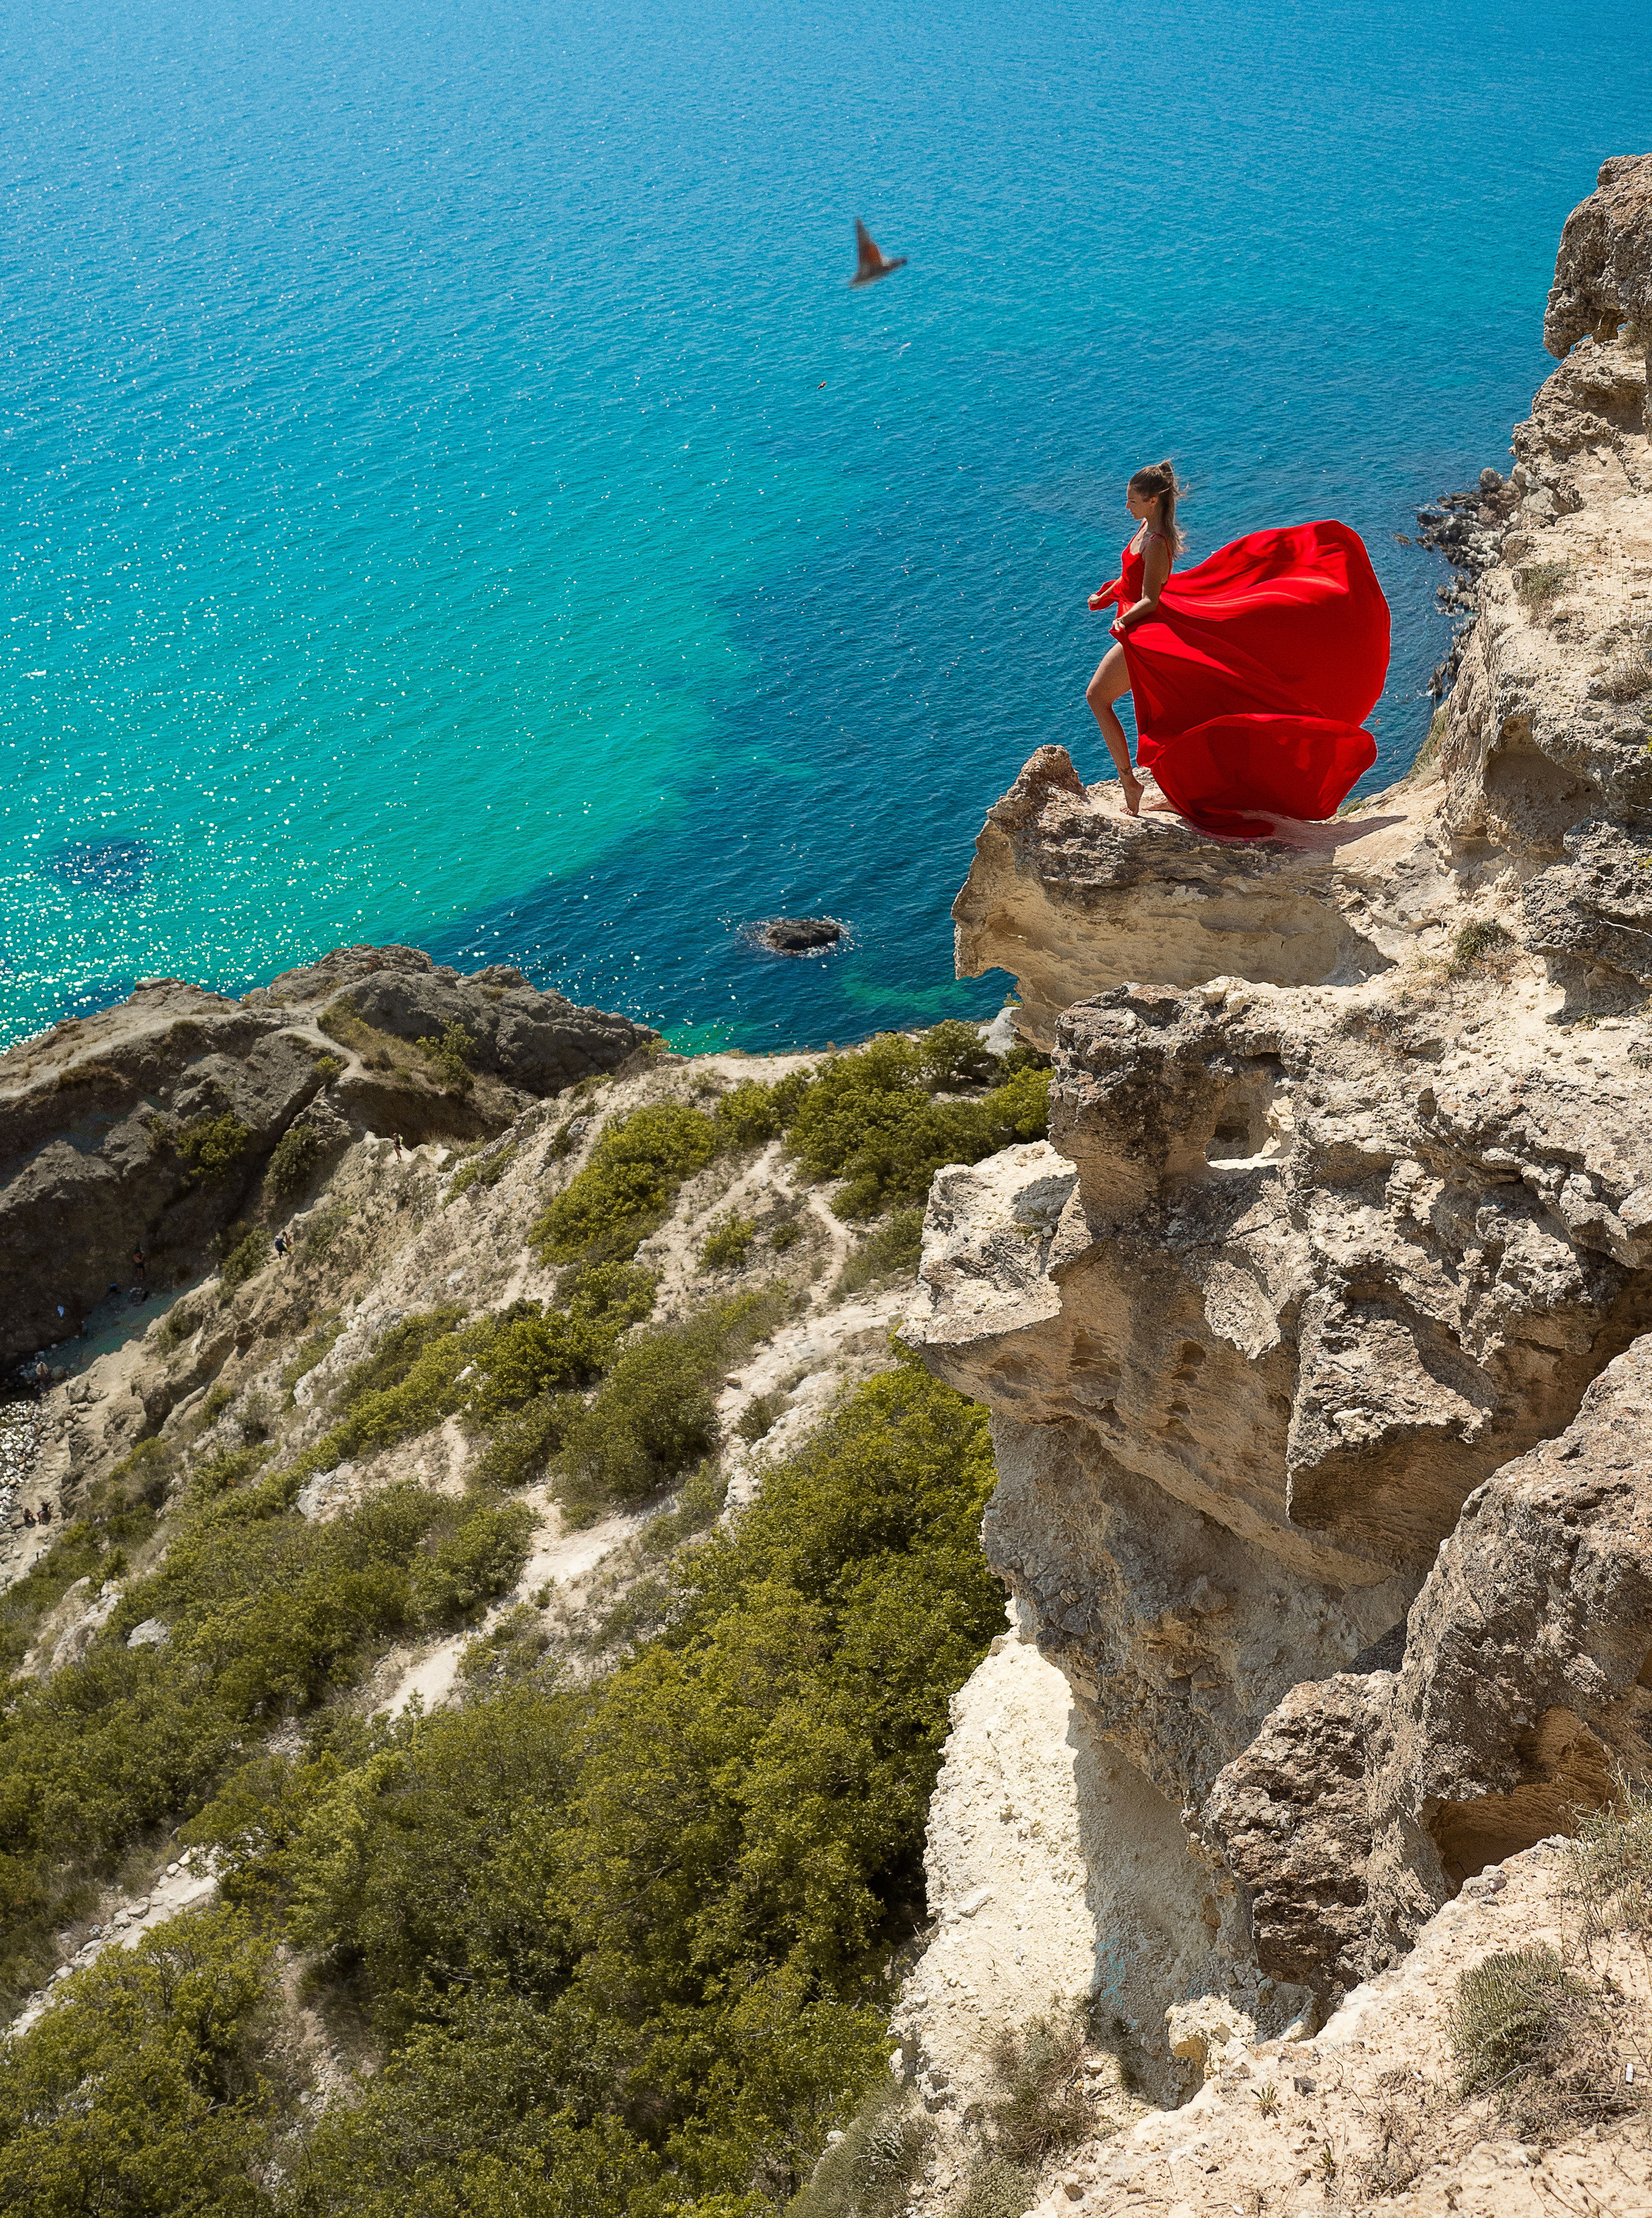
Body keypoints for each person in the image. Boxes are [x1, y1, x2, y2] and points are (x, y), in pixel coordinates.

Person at [1085, 460, 1389, 832]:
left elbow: (1150, 598)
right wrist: (1108, 594)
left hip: (1149, 635)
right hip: (1142, 630)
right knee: (1186, 715)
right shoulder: (1146, 529)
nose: (1126, 506)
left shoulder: (1157, 544)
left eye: (1131, 500)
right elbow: (1132, 582)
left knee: (1097, 697)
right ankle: (1185, 791)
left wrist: (1124, 619)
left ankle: (1129, 783)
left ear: (1151, 501)